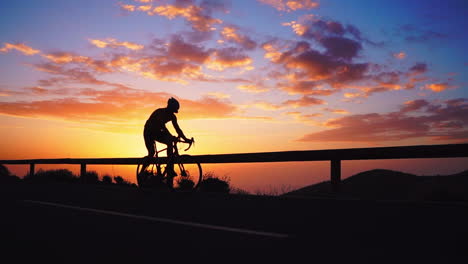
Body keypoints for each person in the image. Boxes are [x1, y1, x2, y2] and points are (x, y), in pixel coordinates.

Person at [143, 97, 192, 181]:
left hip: (157, 132)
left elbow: (178, 129)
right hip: (148, 132)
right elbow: (162, 126)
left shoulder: (172, 117)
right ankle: (142, 172)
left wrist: (186, 139)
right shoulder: (160, 112)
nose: (173, 112)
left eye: (174, 111)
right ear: (169, 107)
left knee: (170, 143)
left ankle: (169, 168)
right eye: (173, 110)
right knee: (151, 153)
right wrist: (170, 136)